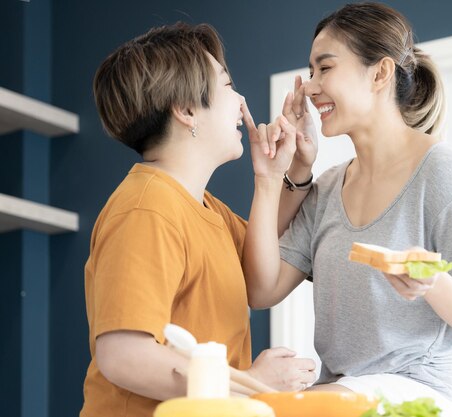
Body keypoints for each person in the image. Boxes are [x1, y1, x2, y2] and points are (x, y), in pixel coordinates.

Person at [243, 3, 452, 416]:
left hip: (416, 391)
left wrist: (431, 283)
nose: (310, 87)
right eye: (310, 73)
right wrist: (279, 175)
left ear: (380, 73)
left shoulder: (442, 171)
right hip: (341, 392)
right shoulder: (325, 188)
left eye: (325, 69)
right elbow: (261, 289)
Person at [81, 22, 315, 417]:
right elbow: (122, 356)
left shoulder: (204, 208)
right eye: (227, 85)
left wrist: (279, 175)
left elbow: (264, 256)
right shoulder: (146, 210)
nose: (241, 100)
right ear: (187, 110)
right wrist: (250, 386)